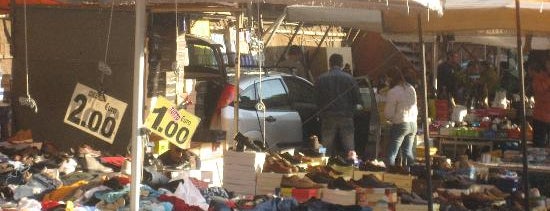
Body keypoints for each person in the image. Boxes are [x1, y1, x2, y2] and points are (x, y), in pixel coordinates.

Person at [315, 54, 363, 161]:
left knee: (324, 145)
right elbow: (357, 99)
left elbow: (316, 99)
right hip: (346, 116)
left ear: (329, 63)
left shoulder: (320, 79)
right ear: (341, 64)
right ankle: (352, 165)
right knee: (349, 146)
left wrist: (320, 112)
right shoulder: (350, 79)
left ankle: (322, 164)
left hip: (327, 117)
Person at [384, 66, 418, 167]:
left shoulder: (393, 91)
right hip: (413, 124)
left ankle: (389, 174)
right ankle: (413, 173)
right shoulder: (411, 88)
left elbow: (388, 113)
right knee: (407, 152)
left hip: (401, 124)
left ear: (390, 79)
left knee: (392, 153)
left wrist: (389, 119)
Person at [532, 58, 550, 147]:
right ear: (546, 64)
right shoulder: (539, 77)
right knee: (539, 146)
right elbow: (539, 90)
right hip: (540, 117)